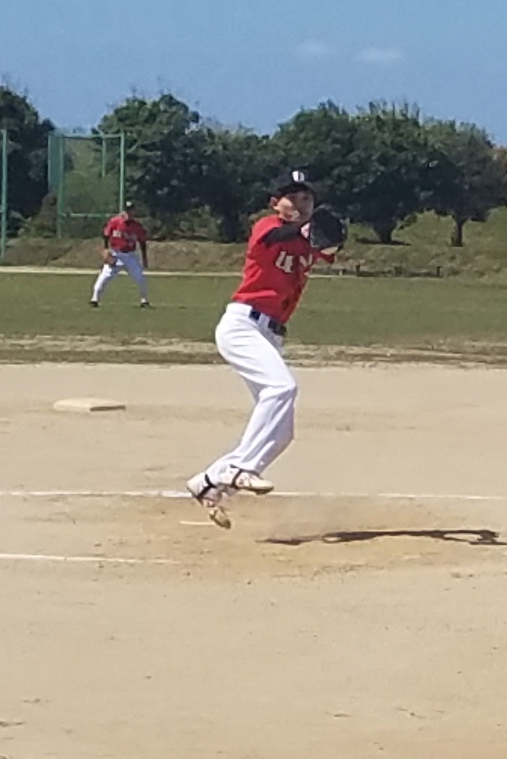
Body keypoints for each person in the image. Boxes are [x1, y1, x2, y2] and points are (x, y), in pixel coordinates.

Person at [184, 173, 341, 528]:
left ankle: (208, 482)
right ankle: (241, 468)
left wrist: (328, 238)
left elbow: (328, 249)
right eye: (292, 199)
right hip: (242, 325)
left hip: (270, 335)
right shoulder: (266, 226)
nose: (299, 205)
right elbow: (281, 236)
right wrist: (306, 228)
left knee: (282, 432)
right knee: (282, 388)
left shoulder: (308, 239)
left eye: (306, 200)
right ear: (276, 202)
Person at [89, 204, 150, 308]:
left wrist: (144, 258)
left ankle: (144, 300)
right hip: (115, 254)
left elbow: (142, 242)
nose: (128, 213)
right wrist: (106, 249)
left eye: (131, 210)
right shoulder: (115, 222)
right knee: (104, 277)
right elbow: (106, 235)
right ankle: (95, 299)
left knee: (140, 277)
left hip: (130, 256)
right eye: (127, 210)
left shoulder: (137, 226)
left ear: (134, 212)